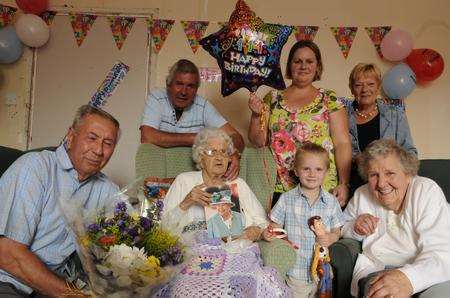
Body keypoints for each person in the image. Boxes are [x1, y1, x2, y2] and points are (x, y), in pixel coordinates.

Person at [0, 105, 122, 297]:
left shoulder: (108, 190)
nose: (99, 150)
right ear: (71, 136)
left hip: (52, 286)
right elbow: (8, 255)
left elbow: (128, 245)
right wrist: (73, 294)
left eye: (108, 143)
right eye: (92, 138)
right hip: (8, 281)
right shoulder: (34, 169)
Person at [248, 40, 352, 207]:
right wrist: (255, 115)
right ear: (290, 66)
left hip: (321, 186)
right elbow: (258, 141)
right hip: (281, 187)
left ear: (317, 66)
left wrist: (345, 183)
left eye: (309, 61)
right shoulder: (272, 98)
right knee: (281, 233)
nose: (303, 66)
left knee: (321, 232)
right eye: (298, 61)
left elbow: (342, 143)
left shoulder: (329, 99)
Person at [342, 139, 450, 297]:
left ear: (408, 174)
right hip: (378, 267)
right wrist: (355, 227)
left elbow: (442, 253)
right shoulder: (362, 194)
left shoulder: (426, 191)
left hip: (428, 269)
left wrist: (407, 278)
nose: (381, 183)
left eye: (390, 173)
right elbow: (341, 227)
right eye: (374, 175)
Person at [263, 142, 344, 297]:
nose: (312, 174)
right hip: (295, 270)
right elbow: (275, 227)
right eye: (306, 168)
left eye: (318, 169)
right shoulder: (286, 199)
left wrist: (330, 237)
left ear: (326, 171)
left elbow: (337, 230)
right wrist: (269, 234)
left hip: (322, 271)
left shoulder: (331, 202)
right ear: (296, 171)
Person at [140, 59, 244, 180]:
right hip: (158, 173)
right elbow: (147, 136)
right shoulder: (156, 98)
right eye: (179, 84)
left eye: (190, 86)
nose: (184, 92)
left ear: (196, 89)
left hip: (193, 176)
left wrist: (234, 152)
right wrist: (196, 138)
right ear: (168, 84)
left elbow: (236, 136)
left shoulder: (203, 105)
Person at [161, 127, 267, 240]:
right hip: (194, 251)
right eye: (212, 152)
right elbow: (163, 228)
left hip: (235, 250)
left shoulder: (239, 184)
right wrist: (186, 202)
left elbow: (263, 223)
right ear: (201, 158)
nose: (219, 157)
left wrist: (255, 232)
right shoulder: (184, 181)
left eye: (223, 152)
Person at [345, 63, 417, 194]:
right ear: (351, 88)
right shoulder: (341, 117)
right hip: (354, 186)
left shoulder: (395, 114)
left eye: (371, 84)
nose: (364, 89)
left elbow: (410, 153)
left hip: (389, 186)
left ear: (378, 87)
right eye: (358, 85)